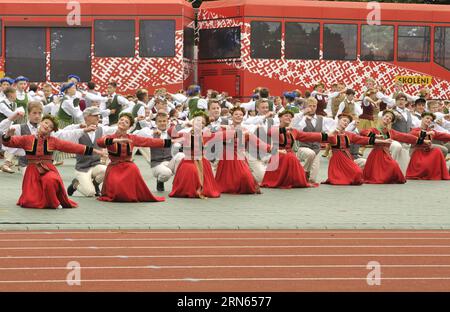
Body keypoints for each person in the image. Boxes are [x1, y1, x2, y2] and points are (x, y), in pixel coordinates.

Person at [1, 115, 103, 209]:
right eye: (45, 123)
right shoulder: (27, 139)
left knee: (51, 179)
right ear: (41, 123)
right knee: (29, 201)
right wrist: (7, 136)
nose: (47, 126)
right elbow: (10, 142)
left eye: (50, 126)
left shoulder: (53, 141)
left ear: (51, 130)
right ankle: (44, 201)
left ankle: (53, 202)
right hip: (32, 171)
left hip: (48, 168)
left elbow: (73, 147)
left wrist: (95, 151)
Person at [97, 113, 171, 202]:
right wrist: (114, 140)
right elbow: (100, 142)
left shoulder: (132, 138)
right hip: (114, 167)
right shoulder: (109, 137)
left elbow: (149, 141)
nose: (123, 122)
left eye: (126, 122)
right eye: (121, 120)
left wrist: (169, 142)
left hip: (129, 167)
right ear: (118, 122)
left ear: (129, 127)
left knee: (133, 168)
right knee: (118, 193)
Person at [261, 110, 329, 188]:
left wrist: (326, 136)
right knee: (290, 157)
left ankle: (302, 175)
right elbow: (270, 132)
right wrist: (284, 129)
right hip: (278, 154)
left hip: (291, 154)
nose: (288, 118)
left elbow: (308, 135)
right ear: (280, 118)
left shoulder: (293, 131)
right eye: (286, 116)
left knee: (291, 156)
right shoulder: (275, 128)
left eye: (290, 117)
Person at [213, 107, 270, 194]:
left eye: (240, 115)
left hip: (240, 156)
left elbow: (258, 143)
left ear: (243, 117)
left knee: (245, 177)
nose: (238, 116)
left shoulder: (246, 130)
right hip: (226, 157)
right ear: (231, 116)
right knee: (230, 179)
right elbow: (214, 137)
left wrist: (273, 149)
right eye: (236, 114)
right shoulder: (224, 128)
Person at [63, 107, 117, 197]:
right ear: (87, 117)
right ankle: (75, 184)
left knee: (107, 170)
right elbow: (64, 132)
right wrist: (78, 126)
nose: (98, 118)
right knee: (89, 193)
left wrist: (129, 122)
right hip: (82, 168)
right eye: (95, 115)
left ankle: (95, 184)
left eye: (98, 116)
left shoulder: (101, 129)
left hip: (96, 164)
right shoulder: (77, 130)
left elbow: (114, 129)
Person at [360, 110, 426, 184]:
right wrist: (374, 135)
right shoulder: (374, 130)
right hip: (376, 155)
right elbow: (363, 132)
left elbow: (405, 137)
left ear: (390, 122)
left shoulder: (390, 132)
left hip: (386, 154)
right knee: (381, 173)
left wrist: (422, 141)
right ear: (382, 117)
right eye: (386, 116)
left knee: (394, 166)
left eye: (390, 118)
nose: (388, 118)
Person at [324, 113, 391, 185]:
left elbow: (364, 139)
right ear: (339, 121)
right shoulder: (332, 133)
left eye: (347, 122)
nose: (346, 123)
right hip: (337, 159)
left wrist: (383, 141)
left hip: (347, 158)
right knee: (343, 178)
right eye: (344, 120)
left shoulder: (349, 134)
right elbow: (323, 138)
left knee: (358, 173)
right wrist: (333, 133)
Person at [169, 111, 221, 199]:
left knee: (201, 170)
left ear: (205, 125)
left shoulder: (206, 135)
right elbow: (171, 132)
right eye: (198, 121)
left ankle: (199, 188)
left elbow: (221, 135)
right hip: (188, 160)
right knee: (190, 169)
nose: (200, 124)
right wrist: (183, 124)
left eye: (203, 122)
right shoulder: (185, 133)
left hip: (201, 161)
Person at [134, 112, 184, 192]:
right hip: (156, 164)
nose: (162, 123)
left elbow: (184, 132)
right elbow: (135, 134)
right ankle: (160, 181)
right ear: (156, 123)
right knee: (166, 173)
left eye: (164, 121)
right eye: (160, 121)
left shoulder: (171, 132)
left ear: (167, 122)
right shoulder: (150, 132)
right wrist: (151, 134)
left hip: (169, 162)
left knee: (181, 155)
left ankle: (177, 182)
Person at [406, 112, 450, 180]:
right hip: (416, 151)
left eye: (431, 119)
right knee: (437, 149)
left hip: (427, 151)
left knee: (440, 150)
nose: (429, 120)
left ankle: (436, 169)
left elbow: (444, 136)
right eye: (427, 118)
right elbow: (411, 135)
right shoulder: (415, 129)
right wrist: (426, 133)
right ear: (422, 118)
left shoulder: (432, 131)